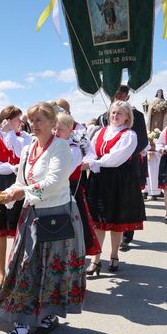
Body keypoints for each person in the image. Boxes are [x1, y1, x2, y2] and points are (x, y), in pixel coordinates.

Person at [0, 102, 85, 334]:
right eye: (31, 120)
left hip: (56, 214)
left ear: (53, 123)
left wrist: (21, 193)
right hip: (31, 214)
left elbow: (54, 183)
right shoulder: (27, 149)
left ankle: (48, 316)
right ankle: (21, 324)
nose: (33, 125)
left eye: (38, 120)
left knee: (52, 268)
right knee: (23, 266)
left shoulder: (62, 148)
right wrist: (6, 194)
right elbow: (20, 180)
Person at [84, 101, 145, 274]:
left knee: (115, 222)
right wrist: (91, 161)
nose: (115, 116)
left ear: (127, 117)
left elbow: (116, 157)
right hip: (98, 178)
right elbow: (91, 151)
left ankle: (114, 255)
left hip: (118, 179)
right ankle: (96, 259)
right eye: (113, 113)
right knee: (98, 221)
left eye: (119, 113)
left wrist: (95, 163)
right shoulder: (100, 132)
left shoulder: (129, 135)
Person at [0, 105, 32, 291]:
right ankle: (1, 271)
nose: (20, 123)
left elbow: (23, 157)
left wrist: (11, 136)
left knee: (20, 227)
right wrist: (12, 166)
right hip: (0, 182)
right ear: (7, 120)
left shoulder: (24, 137)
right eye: (17, 119)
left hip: (19, 182)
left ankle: (18, 269)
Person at [98, 85, 148, 252]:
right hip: (105, 167)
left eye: (122, 94)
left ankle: (127, 236)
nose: (118, 96)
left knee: (126, 200)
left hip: (128, 163)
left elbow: (142, 141)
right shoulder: (104, 115)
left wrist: (122, 153)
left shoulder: (138, 116)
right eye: (116, 93)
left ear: (127, 96)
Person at [55, 112, 101, 256]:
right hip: (57, 189)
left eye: (60, 129)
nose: (56, 132)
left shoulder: (73, 149)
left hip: (70, 189)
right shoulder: (55, 145)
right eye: (54, 129)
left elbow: (63, 173)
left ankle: (73, 253)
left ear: (70, 130)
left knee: (72, 223)